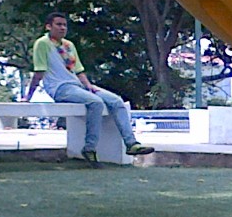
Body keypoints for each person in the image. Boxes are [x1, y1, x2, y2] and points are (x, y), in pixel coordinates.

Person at [25, 11, 155, 167]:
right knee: (95, 102)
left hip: (78, 86)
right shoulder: (42, 43)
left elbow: (78, 70)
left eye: (65, 25)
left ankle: (131, 143)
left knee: (116, 101)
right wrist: (28, 96)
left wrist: (89, 86)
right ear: (48, 26)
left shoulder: (68, 45)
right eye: (58, 24)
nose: (62, 28)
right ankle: (89, 148)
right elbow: (39, 71)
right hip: (60, 88)